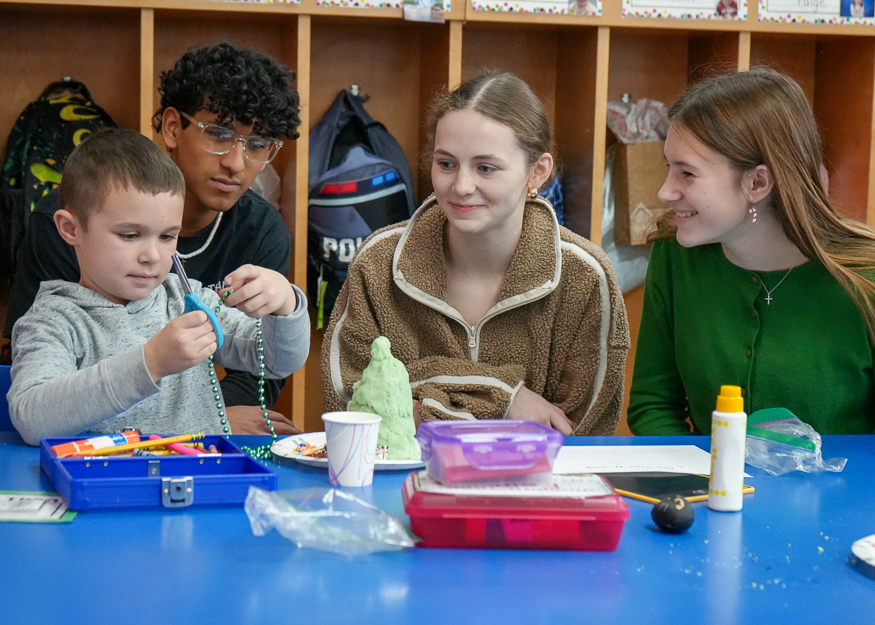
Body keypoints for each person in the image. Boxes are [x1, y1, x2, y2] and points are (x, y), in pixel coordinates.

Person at [3, 42, 302, 435]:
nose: (151, 256)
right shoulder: (54, 318)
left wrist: (288, 303)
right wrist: (151, 362)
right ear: (70, 230)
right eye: (129, 235)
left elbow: (274, 359)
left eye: (168, 237)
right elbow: (30, 417)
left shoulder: (187, 297)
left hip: (197, 479)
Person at [322, 72, 629, 436]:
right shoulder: (378, 261)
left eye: (486, 168)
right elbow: (351, 406)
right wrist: (504, 396)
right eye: (446, 164)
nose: (461, 186)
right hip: (399, 486)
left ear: (537, 172)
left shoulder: (586, 276)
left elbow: (574, 434)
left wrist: (420, 405)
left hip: (533, 488)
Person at [628, 68, 875, 436]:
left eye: (687, 173)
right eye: (669, 167)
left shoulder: (865, 280)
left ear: (758, 182)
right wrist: (709, 478)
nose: (665, 192)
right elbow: (654, 405)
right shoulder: (675, 254)